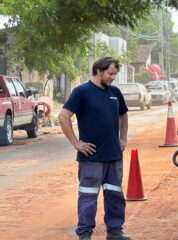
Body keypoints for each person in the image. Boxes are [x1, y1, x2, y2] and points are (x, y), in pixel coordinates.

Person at [58, 57, 131, 240]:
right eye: (110, 73)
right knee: (88, 196)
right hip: (91, 156)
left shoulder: (115, 92)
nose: (113, 77)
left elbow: (123, 116)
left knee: (115, 194)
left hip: (114, 155)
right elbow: (63, 116)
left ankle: (115, 231)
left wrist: (123, 138)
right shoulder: (82, 92)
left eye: (115, 74)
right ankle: (84, 233)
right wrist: (76, 143)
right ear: (99, 70)